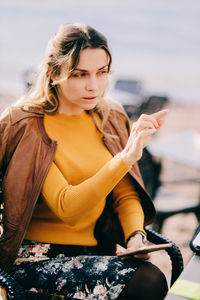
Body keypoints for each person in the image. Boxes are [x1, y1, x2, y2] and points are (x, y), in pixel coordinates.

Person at [0, 23, 169, 299]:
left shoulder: (111, 116)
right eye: (80, 75)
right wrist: (125, 158)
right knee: (148, 282)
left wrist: (135, 236)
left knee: (147, 275)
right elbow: (68, 206)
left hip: (95, 251)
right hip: (36, 259)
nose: (94, 86)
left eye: (102, 73)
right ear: (54, 73)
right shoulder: (28, 124)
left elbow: (125, 194)